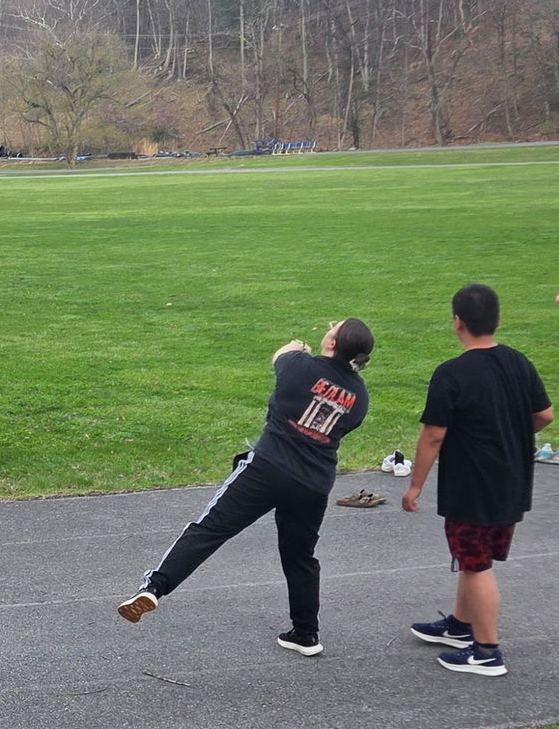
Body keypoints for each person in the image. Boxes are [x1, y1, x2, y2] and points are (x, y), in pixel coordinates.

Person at [117, 318, 375, 656]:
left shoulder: (298, 365)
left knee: (209, 529)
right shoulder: (360, 396)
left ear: (332, 341)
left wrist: (300, 346)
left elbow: (281, 354)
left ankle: (154, 587)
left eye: (332, 327)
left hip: (266, 468)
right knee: (300, 558)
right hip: (313, 483)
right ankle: (306, 633)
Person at [404, 284, 553, 677]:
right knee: (473, 558)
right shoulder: (519, 362)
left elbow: (433, 434)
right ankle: (460, 625)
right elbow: (544, 415)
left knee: (476, 564)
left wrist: (415, 485)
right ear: (498, 321)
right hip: (513, 482)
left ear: (457, 323)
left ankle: (486, 651)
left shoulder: (451, 374)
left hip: (473, 487)